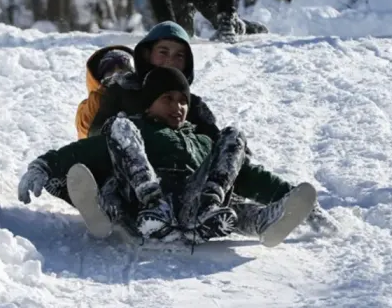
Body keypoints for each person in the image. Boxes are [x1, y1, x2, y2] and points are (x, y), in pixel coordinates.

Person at [19, 66, 324, 246]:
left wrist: (295, 200)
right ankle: (109, 211)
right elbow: (85, 150)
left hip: (200, 209)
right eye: (167, 98)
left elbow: (245, 174)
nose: (177, 106)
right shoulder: (138, 128)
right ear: (149, 104)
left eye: (183, 101)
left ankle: (266, 221)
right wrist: (43, 166)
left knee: (232, 139)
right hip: (143, 205)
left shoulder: (202, 140)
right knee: (118, 128)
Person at [87, 20, 220, 141]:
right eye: (163, 52)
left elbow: (215, 142)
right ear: (147, 54)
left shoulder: (191, 104)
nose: (170, 61)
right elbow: (95, 134)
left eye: (179, 55)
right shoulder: (122, 93)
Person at [75, 46, 135, 140]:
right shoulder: (92, 104)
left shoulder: (144, 95)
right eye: (110, 70)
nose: (118, 72)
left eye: (123, 67)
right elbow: (86, 130)